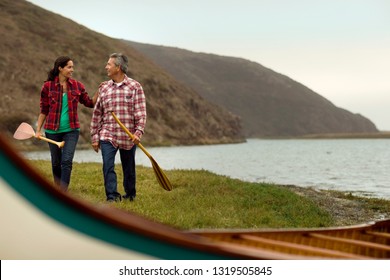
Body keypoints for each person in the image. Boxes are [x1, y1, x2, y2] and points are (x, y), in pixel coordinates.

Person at [90, 53, 147, 202]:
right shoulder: (104, 88)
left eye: (109, 64)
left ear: (118, 67)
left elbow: (141, 114)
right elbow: (97, 115)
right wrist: (95, 137)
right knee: (108, 165)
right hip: (108, 134)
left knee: (129, 169)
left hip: (128, 136)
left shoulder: (135, 87)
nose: (106, 67)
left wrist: (138, 132)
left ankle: (130, 195)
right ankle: (112, 196)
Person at [36, 56, 98, 191]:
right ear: (60, 68)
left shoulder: (77, 86)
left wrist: (100, 90)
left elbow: (89, 103)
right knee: (56, 163)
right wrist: (38, 129)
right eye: (69, 67)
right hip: (52, 131)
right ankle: (57, 190)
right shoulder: (48, 87)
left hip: (71, 130)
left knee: (67, 161)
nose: (72, 70)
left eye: (72, 67)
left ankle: (63, 193)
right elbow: (44, 110)